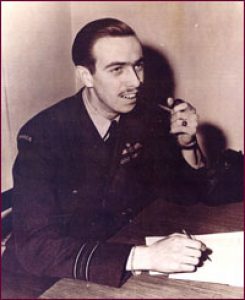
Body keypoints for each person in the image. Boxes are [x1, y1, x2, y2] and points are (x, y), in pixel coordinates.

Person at [3, 18, 207, 288]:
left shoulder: (142, 118)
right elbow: (36, 248)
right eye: (117, 69)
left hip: (110, 256)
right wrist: (143, 257)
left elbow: (186, 194)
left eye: (138, 66)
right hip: (42, 280)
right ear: (86, 75)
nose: (135, 81)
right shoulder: (44, 136)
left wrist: (186, 143)